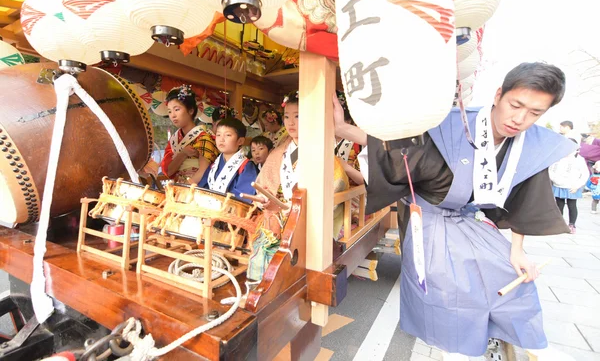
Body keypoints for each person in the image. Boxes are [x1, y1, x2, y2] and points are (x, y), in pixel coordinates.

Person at [334, 62, 577, 360]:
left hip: (470, 221)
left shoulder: (529, 144)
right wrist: (343, 129)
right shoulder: (452, 126)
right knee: (451, 297)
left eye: (535, 113)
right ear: (499, 95)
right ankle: (459, 349)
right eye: (516, 105)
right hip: (432, 223)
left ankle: (500, 340)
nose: (520, 119)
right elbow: (398, 147)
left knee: (515, 282)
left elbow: (526, 198)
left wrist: (518, 250)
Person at [248, 92, 349, 281]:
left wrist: (297, 213)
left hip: (309, 218)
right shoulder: (279, 152)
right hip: (280, 215)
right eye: (287, 117)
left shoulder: (322, 151)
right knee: (262, 245)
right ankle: (260, 288)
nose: (290, 123)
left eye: (298, 116)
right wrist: (266, 199)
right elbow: (267, 186)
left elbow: (336, 187)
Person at [161, 85, 218, 184]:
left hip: (196, 189)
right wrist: (183, 153)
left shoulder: (204, 137)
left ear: (191, 110)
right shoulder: (174, 140)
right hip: (179, 187)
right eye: (169, 111)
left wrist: (185, 188)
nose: (173, 115)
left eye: (177, 109)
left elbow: (204, 172)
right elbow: (169, 171)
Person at [198, 118, 258, 201]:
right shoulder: (214, 165)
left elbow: (244, 197)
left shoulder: (246, 166)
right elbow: (202, 188)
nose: (221, 139)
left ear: (240, 141)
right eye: (218, 135)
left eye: (228, 135)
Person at [549, 138, 590, 233]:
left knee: (572, 205)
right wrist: (555, 179)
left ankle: (572, 224)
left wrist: (577, 185)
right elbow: (551, 169)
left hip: (572, 187)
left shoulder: (579, 159)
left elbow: (584, 173)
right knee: (559, 205)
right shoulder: (557, 157)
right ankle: (558, 224)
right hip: (558, 185)